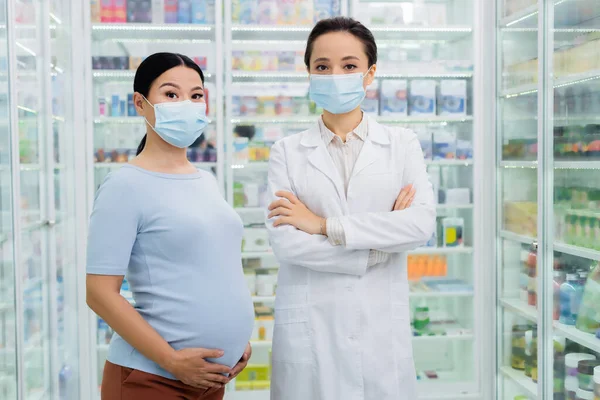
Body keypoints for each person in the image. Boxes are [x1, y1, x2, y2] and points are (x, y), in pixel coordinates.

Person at [265, 17, 436, 400]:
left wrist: (324, 225)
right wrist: (376, 248)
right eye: (322, 66)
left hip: (379, 333)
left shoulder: (401, 144)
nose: (334, 75)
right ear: (308, 72)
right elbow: (287, 244)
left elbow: (419, 224)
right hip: (311, 330)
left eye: (349, 65)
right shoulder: (288, 152)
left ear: (369, 73)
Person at [86, 52, 254, 400]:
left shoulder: (206, 180)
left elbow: (211, 267)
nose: (187, 104)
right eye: (171, 94)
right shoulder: (124, 185)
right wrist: (172, 360)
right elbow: (100, 294)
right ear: (141, 104)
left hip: (210, 374)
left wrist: (236, 337)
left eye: (195, 95)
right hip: (151, 377)